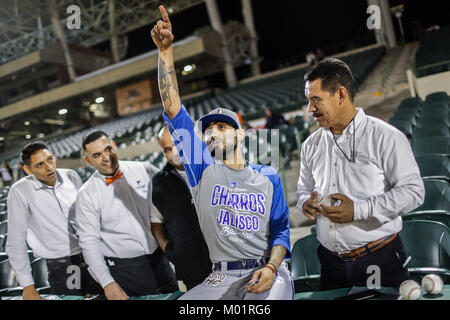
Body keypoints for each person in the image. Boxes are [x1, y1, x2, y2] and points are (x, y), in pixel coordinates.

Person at [151, 5, 293, 300]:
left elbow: (281, 233)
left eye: (222, 126)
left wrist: (272, 267)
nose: (213, 131)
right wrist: (165, 53)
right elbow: (173, 108)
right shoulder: (201, 168)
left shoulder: (269, 176)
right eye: (209, 128)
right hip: (220, 274)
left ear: (240, 133)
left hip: (266, 271)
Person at [297, 58, 425, 290]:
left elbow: (414, 192)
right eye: (308, 100)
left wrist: (358, 210)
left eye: (316, 100)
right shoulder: (310, 145)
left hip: (379, 258)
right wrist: (305, 202)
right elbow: (303, 188)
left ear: (341, 94)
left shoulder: (386, 137)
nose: (310, 109)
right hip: (330, 262)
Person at [75, 131, 178, 300]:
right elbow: (89, 242)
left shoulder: (144, 169)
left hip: (160, 260)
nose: (106, 157)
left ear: (114, 146)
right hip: (126, 270)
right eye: (97, 155)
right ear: (88, 160)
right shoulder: (86, 194)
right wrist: (107, 283)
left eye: (108, 149)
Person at [6, 141, 102, 299]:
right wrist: (27, 286)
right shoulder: (19, 191)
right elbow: (15, 241)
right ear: (27, 170)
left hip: (93, 253)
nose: (49, 167)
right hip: (64, 265)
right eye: (39, 165)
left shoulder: (71, 175)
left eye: (50, 159)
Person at [151, 124, 212, 290]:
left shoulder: (214, 166)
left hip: (229, 260)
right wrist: (170, 250)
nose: (175, 153)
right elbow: (156, 222)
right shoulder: (158, 183)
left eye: (178, 144)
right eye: (168, 149)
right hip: (191, 269)